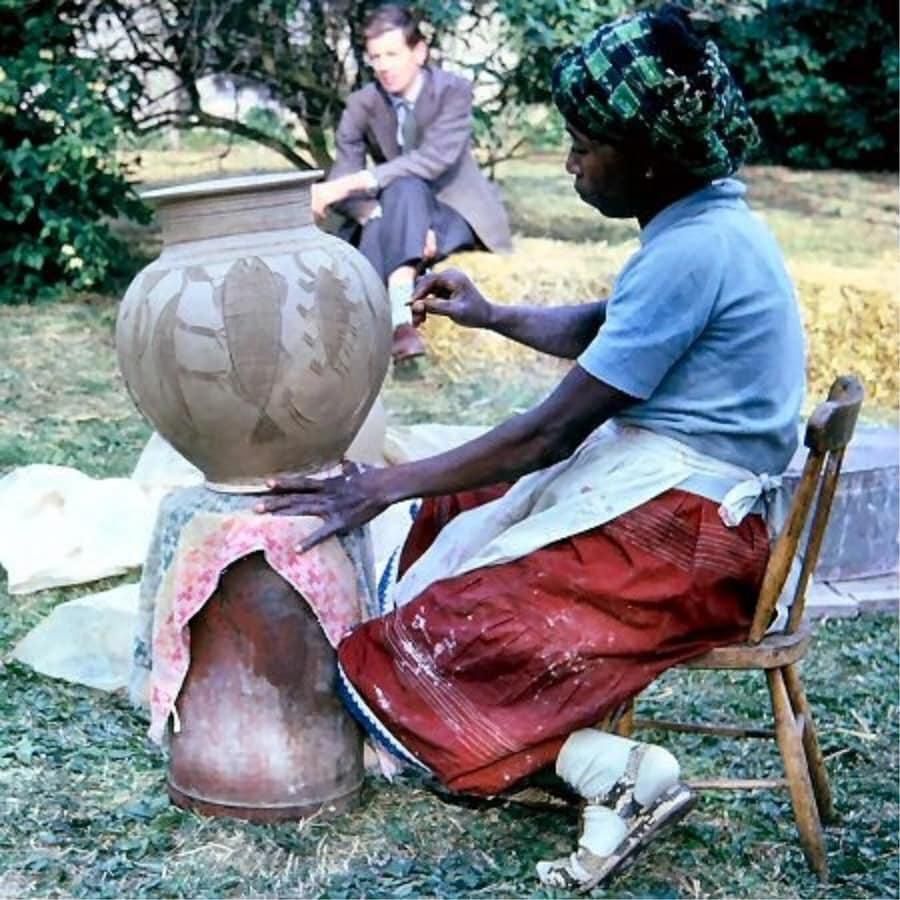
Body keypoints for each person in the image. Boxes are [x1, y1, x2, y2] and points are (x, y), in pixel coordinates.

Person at [259, 4, 805, 889]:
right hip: (686, 505)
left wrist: (385, 484)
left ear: (649, 158)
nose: (571, 163)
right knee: (458, 508)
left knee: (437, 635)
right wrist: (492, 314)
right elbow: (606, 328)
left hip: (696, 546)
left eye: (584, 147)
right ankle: (573, 749)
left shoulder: (694, 251)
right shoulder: (705, 225)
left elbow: (551, 431)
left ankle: (611, 772)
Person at [312, 4, 512, 364]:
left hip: (453, 208)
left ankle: (360, 334)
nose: (383, 66)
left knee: (403, 187)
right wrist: (372, 212)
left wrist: (356, 184)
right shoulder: (362, 103)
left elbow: (433, 159)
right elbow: (342, 173)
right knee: (392, 202)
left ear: (419, 52)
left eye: (392, 54)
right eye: (375, 57)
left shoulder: (453, 91)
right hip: (397, 207)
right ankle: (398, 324)